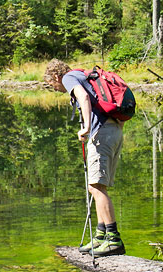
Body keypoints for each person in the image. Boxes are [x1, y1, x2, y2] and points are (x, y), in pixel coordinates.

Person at [43, 59, 125, 257]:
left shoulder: (70, 78)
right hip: (113, 131)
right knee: (95, 186)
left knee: (97, 186)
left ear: (56, 76)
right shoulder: (84, 75)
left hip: (101, 133)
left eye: (52, 84)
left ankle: (113, 240)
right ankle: (100, 235)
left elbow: (83, 97)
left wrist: (87, 127)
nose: (54, 88)